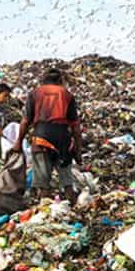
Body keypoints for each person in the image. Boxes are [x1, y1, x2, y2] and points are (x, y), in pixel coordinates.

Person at [15, 69, 83, 201]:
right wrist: (78, 149)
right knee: (67, 181)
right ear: (59, 81)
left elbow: (25, 121)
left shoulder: (35, 94)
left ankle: (45, 209)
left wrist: (18, 141)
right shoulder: (67, 94)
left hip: (41, 137)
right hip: (62, 137)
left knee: (43, 183)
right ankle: (74, 208)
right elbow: (75, 125)